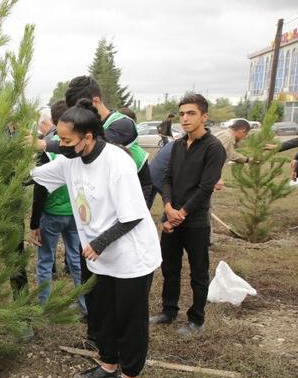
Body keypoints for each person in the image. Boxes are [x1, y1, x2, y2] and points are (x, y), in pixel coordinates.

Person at [32, 99, 161, 378]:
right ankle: (106, 363)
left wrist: (99, 243)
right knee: (102, 314)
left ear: (88, 138)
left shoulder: (117, 163)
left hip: (129, 256)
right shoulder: (71, 160)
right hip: (98, 257)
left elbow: (132, 215)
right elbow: (36, 177)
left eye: (66, 140)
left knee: (129, 318)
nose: (61, 145)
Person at [150, 94, 226, 337]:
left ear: (204, 116)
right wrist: (168, 206)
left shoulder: (214, 148)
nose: (184, 118)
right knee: (170, 268)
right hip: (173, 216)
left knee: (198, 272)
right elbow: (168, 178)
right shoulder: (178, 145)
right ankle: (168, 311)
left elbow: (206, 188)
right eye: (182, 113)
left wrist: (180, 214)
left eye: (191, 113)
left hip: (194, 222)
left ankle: (196, 318)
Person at [29, 105, 86, 315]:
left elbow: (40, 189)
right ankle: (85, 305)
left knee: (45, 261)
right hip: (74, 213)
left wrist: (34, 222)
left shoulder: (48, 151)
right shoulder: (76, 146)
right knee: (76, 260)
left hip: (52, 214)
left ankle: (43, 306)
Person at [65, 76, 154, 208]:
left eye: (80, 110)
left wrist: (46, 144)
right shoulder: (90, 126)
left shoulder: (122, 124)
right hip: (110, 186)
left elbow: (88, 145)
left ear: (95, 101)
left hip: (136, 186)